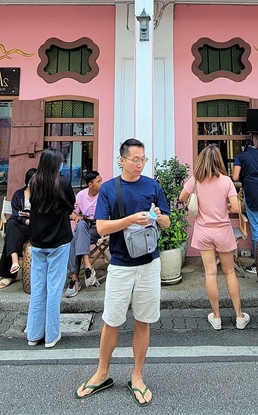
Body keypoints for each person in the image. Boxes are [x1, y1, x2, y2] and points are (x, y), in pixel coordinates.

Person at [75, 138, 171, 407]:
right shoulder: (108, 188)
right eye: (135, 159)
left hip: (149, 263)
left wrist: (155, 215)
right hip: (119, 264)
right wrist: (131, 219)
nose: (140, 164)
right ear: (122, 160)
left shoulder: (152, 186)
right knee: (112, 320)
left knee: (144, 320)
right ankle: (101, 373)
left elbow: (166, 220)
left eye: (143, 159)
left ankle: (137, 376)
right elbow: (102, 227)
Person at [179, 144, 250, 331]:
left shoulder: (195, 180)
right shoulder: (226, 181)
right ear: (218, 160)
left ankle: (216, 317)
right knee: (229, 272)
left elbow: (181, 197)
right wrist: (225, 207)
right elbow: (236, 208)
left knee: (210, 273)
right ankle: (239, 316)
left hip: (203, 231)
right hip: (223, 231)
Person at [25, 149, 75, 348]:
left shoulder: (34, 181)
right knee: (54, 289)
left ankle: (34, 334)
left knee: (38, 288)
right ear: (57, 164)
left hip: (38, 240)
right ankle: (52, 335)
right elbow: (70, 205)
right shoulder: (62, 182)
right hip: (59, 239)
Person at [232, 138, 258, 273]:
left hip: (251, 190)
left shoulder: (240, 156)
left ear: (243, 147)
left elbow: (235, 176)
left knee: (256, 227)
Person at [65, 169, 104, 298]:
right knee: (80, 226)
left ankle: (75, 279)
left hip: (98, 227)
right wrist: (76, 217)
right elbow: (72, 213)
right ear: (90, 184)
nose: (101, 183)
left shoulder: (103, 195)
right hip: (84, 226)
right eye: (98, 181)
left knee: (73, 239)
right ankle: (88, 268)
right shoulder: (81, 195)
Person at [0, 167, 36, 288]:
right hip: (19, 224)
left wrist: (30, 217)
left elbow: (43, 214)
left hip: (34, 228)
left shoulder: (41, 196)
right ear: (28, 181)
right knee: (11, 224)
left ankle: (9, 275)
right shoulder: (19, 194)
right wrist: (25, 220)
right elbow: (15, 213)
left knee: (11, 236)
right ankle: (15, 261)